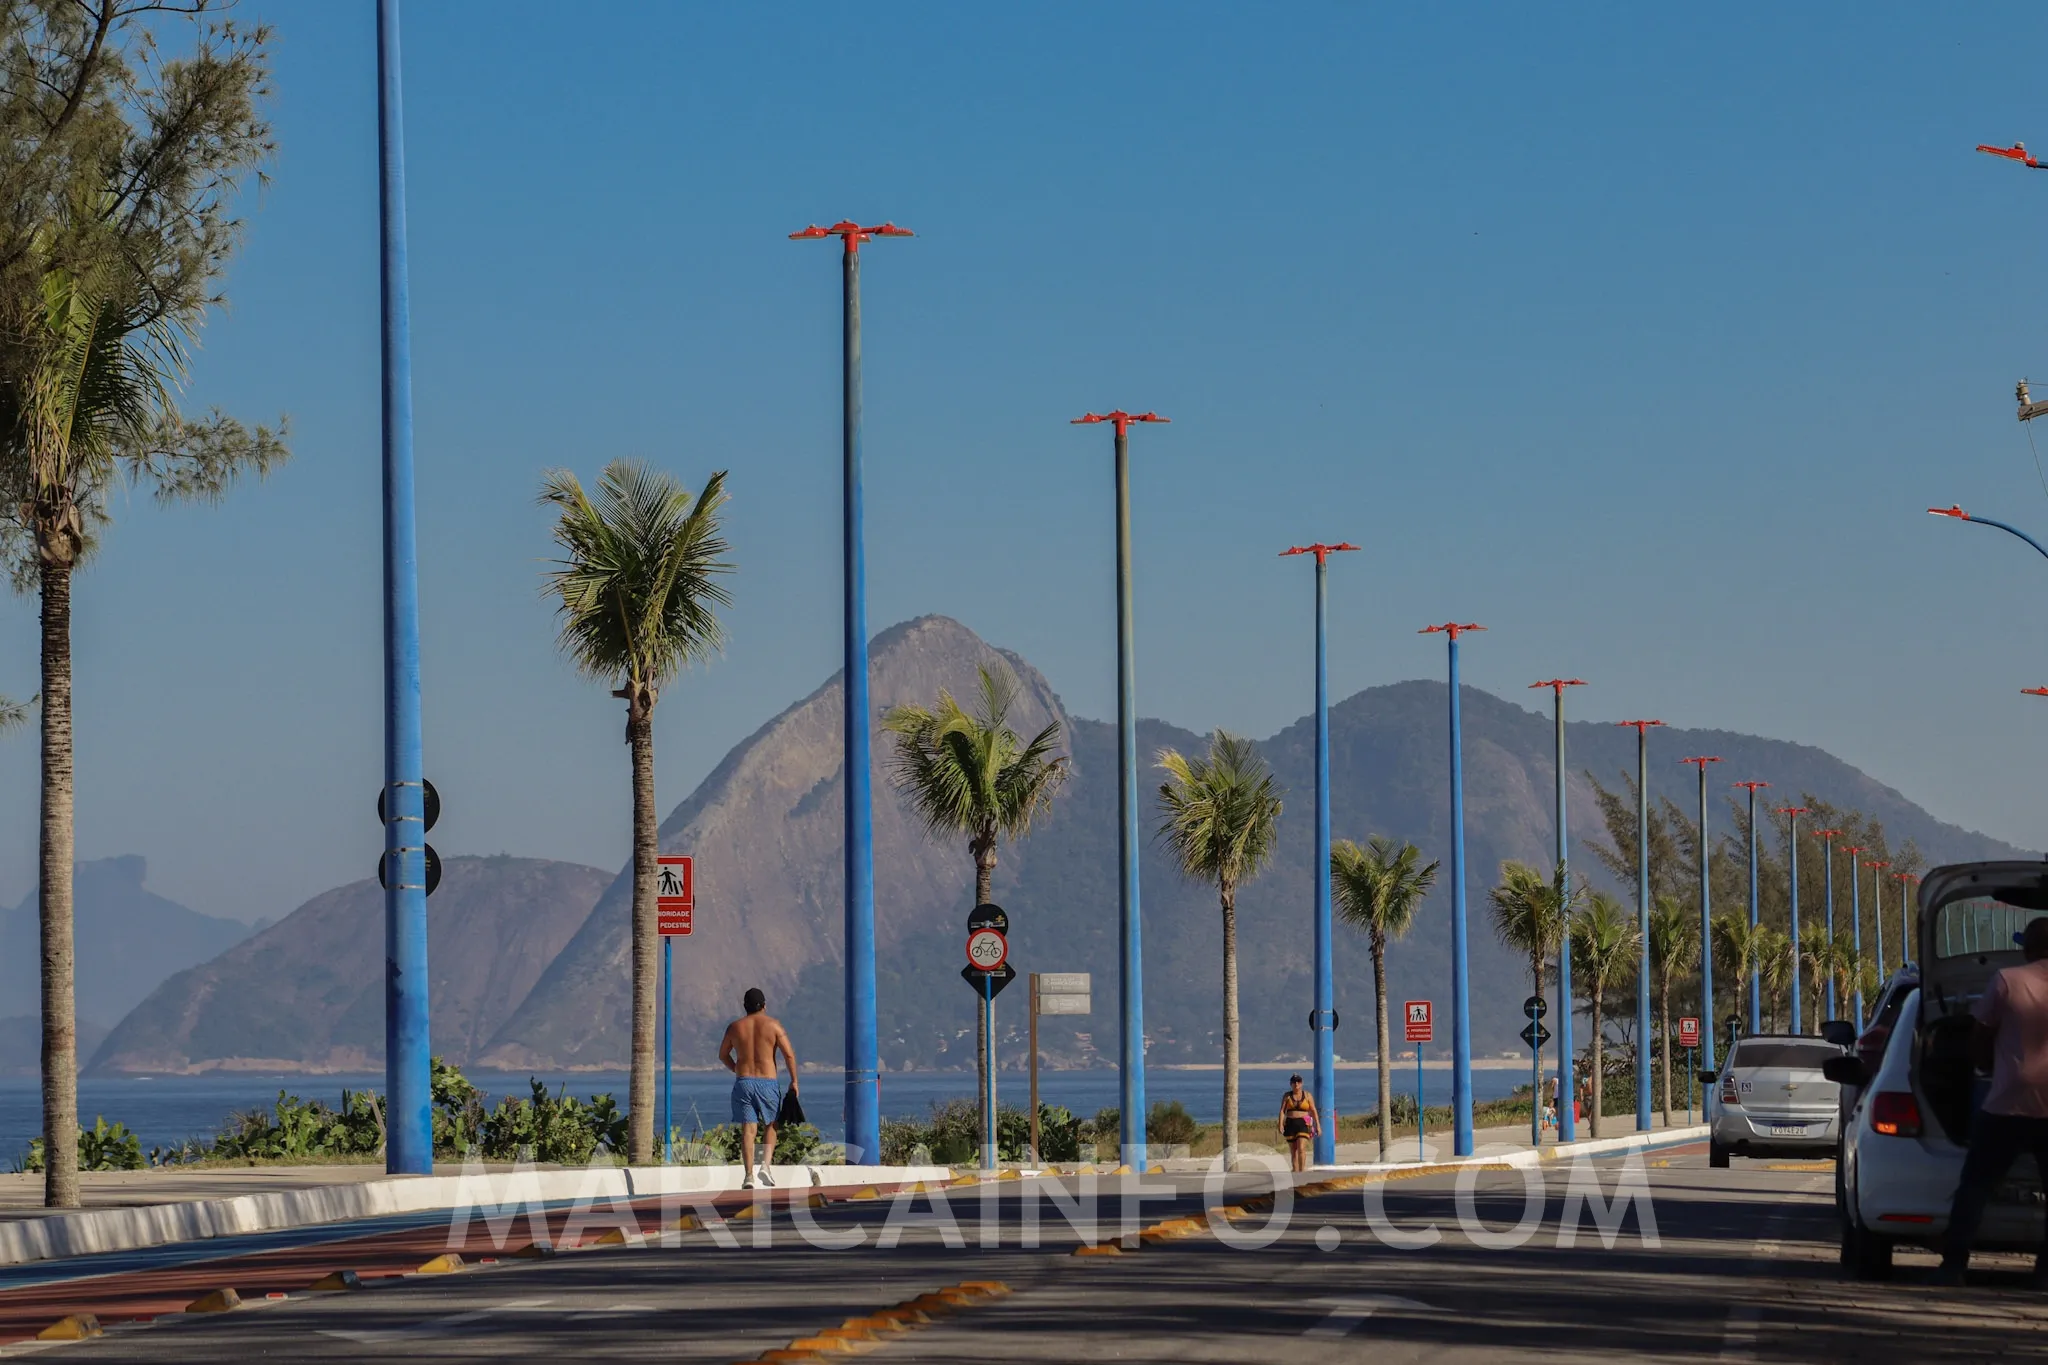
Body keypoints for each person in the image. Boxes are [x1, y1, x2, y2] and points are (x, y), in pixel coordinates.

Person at [1937, 916, 2048, 1285]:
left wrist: (1985, 1064)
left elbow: (1980, 1035)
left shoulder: (2007, 980)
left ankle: (1954, 1265)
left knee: (1976, 1184)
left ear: (2027, 948)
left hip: (2009, 1101)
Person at [718, 987, 798, 1190]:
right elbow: (789, 1055)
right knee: (771, 1124)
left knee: (748, 1129)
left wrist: (736, 1068)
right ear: (764, 1005)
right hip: (767, 1082)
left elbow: (723, 1055)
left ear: (745, 1006)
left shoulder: (735, 1027)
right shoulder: (774, 1026)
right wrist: (794, 1081)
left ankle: (748, 1176)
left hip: (743, 1082)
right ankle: (765, 1165)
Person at [1278, 1074, 1319, 1173]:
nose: (1296, 1084)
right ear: (1291, 1084)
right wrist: (1280, 1124)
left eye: (1298, 1082)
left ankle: (1302, 1170)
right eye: (1294, 1082)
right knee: (1293, 1150)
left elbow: (1313, 1110)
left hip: (1303, 1123)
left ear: (1302, 1083)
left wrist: (1318, 1125)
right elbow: (1283, 1110)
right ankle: (1295, 1171)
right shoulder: (1287, 1096)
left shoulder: (1307, 1095)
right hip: (1290, 1123)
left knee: (1301, 1147)